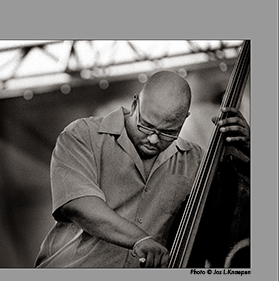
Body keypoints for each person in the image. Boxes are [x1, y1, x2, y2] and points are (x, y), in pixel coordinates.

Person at [35, 70, 250, 268]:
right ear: (135, 104)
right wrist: (139, 238)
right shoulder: (82, 135)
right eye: (146, 126)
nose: (154, 139)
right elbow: (78, 204)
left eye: (168, 132)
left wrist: (249, 148)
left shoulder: (195, 161)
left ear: (184, 119)